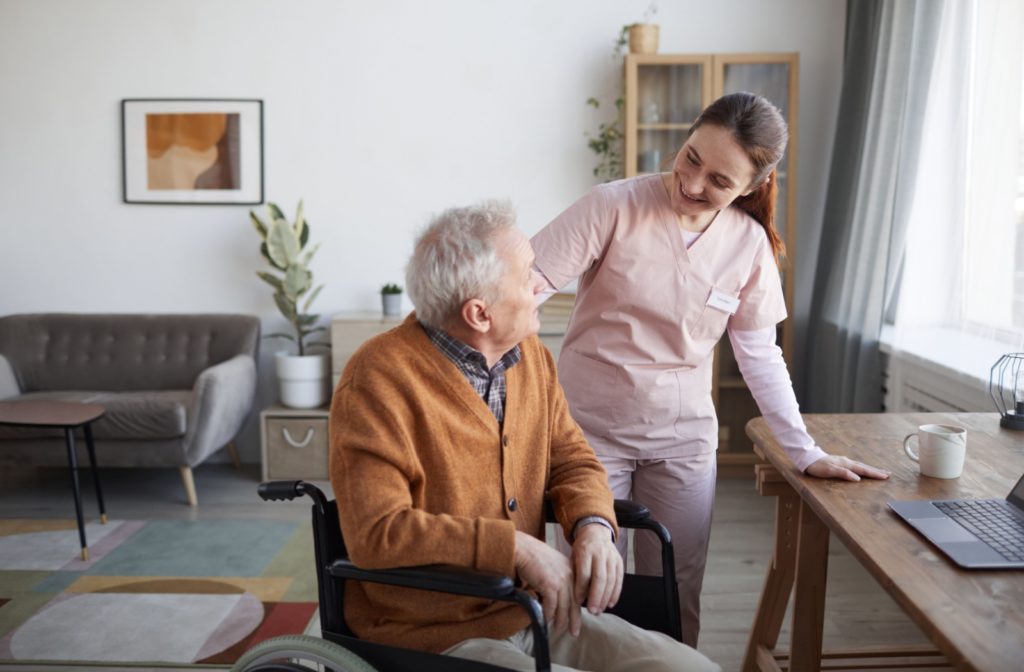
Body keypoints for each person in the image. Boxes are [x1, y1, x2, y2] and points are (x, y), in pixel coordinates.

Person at [529, 92, 890, 647]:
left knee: (674, 589)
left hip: (682, 442)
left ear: (752, 186)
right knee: (588, 585)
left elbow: (760, 355)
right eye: (692, 156)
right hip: (588, 436)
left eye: (720, 180)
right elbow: (522, 291)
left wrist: (804, 451)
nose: (693, 183)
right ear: (689, 134)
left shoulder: (747, 245)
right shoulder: (613, 206)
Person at [329, 200, 719, 672]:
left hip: (535, 611)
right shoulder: (377, 380)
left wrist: (594, 525)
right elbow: (378, 534)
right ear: (479, 313)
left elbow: (572, 458)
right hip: (428, 633)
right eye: (527, 275)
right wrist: (514, 547)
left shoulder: (530, 356)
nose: (542, 285)